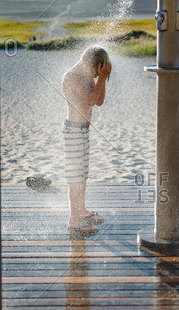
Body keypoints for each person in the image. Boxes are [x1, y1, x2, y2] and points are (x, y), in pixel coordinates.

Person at [61, 46, 112, 237]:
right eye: (95, 71)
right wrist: (99, 78)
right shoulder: (72, 77)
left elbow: (99, 101)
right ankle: (74, 221)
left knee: (82, 175)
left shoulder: (86, 74)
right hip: (73, 130)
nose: (94, 75)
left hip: (83, 130)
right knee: (75, 177)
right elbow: (90, 100)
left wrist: (102, 79)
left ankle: (81, 210)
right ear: (88, 64)